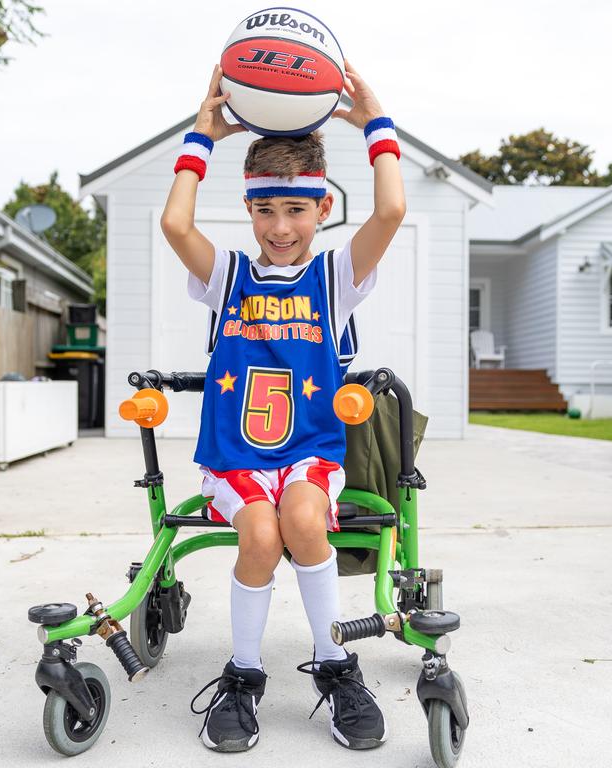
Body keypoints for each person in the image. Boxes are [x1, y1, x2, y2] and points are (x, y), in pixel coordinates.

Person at [159, 60, 406, 753]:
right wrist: (200, 136)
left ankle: (335, 666)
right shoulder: (226, 277)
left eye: (295, 209)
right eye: (265, 209)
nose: (279, 225)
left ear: (324, 208)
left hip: (308, 454)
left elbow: (391, 211)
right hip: (235, 458)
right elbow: (175, 222)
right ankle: (243, 676)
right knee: (261, 538)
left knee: (300, 519)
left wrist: (375, 122)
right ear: (248, 208)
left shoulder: (336, 278)